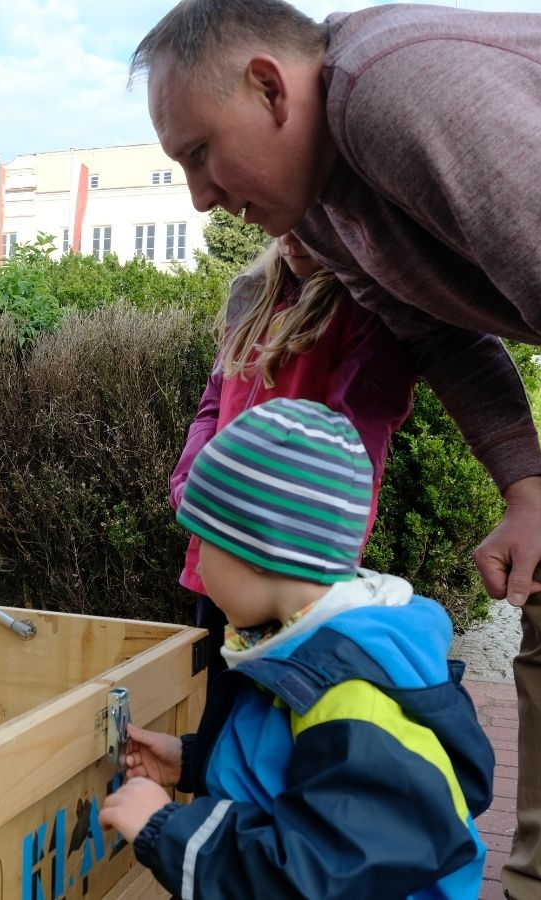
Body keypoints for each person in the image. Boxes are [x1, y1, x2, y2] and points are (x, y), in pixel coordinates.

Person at [130, 3, 541, 898]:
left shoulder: (396, 86)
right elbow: (440, 333)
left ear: (270, 87)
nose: (199, 194)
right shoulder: (324, 213)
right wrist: (525, 492)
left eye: (200, 152)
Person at [100, 398, 494, 899]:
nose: (196, 564)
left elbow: (314, 879)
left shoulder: (351, 695)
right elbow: (297, 765)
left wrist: (166, 829)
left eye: (203, 543)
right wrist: (194, 760)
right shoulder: (313, 652)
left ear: (258, 552)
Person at [170, 232, 415, 685]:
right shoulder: (251, 291)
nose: (289, 238)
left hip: (288, 562)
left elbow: (357, 446)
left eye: (308, 223)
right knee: (219, 695)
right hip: (219, 547)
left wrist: (323, 561)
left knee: (283, 694)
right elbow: (213, 403)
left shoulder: (365, 306)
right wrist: (194, 482)